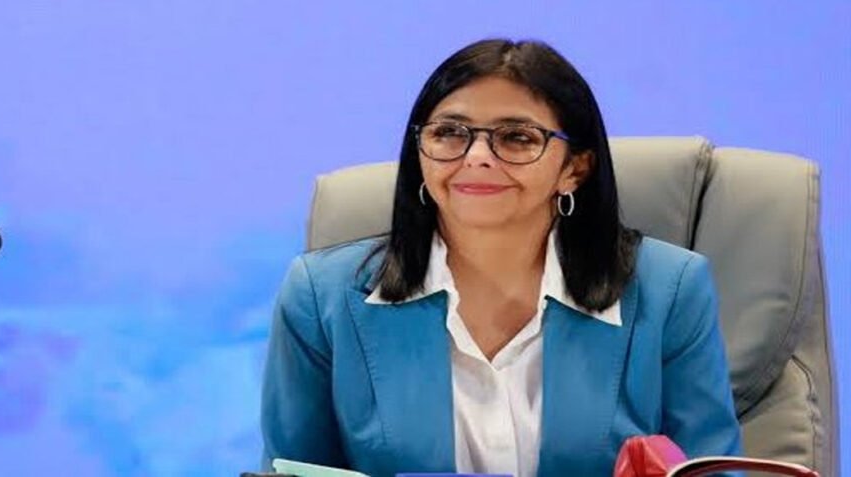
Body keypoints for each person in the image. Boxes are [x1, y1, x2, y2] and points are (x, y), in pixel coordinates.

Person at [260, 38, 742, 477]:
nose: (477, 156)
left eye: (517, 137)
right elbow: (295, 470)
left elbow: (709, 470)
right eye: (449, 132)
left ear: (575, 169)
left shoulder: (670, 289)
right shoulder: (321, 296)